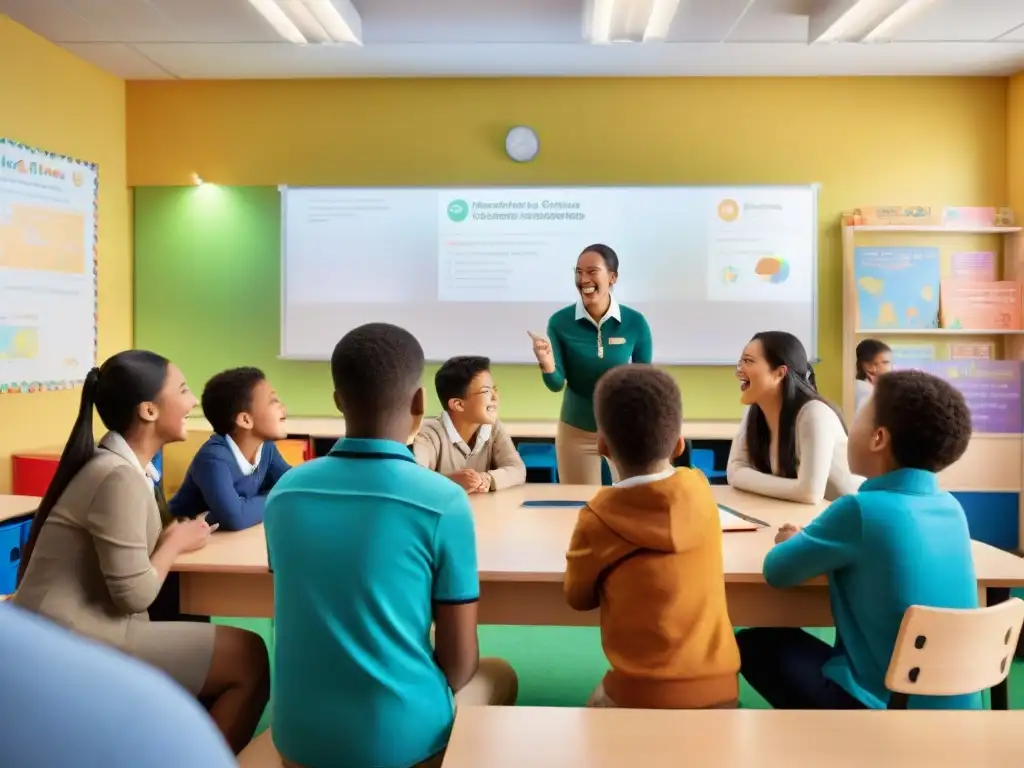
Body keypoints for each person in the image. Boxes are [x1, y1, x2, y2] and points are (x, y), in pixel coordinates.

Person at [265, 323, 518, 768]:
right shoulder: (442, 502)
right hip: (403, 743)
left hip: (297, 740)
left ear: (338, 400)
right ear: (421, 402)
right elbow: (458, 666)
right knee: (500, 674)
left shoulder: (286, 492)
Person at [14, 351, 270, 753]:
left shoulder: (119, 465)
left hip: (63, 629)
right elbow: (134, 595)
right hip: (75, 639)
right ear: (149, 410)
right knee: (249, 659)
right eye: (183, 391)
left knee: (204, 628)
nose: (192, 402)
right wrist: (175, 543)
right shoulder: (117, 476)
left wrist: (172, 540)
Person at [736, 369, 979, 710]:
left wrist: (793, 541)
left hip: (884, 708)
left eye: (859, 417)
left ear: (878, 438)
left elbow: (778, 571)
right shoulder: (952, 507)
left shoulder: (860, 510)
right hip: (956, 708)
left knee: (756, 643)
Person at [565, 365, 740, 709]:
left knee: (590, 711)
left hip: (638, 694)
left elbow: (577, 597)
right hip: (721, 692)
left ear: (602, 445)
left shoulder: (596, 518)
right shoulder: (699, 488)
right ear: (678, 444)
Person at [0, 603, 237, 767]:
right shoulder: (164, 730)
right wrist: (174, 544)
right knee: (243, 656)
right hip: (89, 626)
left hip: (63, 621)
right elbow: (134, 594)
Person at [529, 243, 654, 485]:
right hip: (576, 431)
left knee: (630, 504)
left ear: (612, 277)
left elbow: (646, 384)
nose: (583, 279)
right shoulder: (560, 322)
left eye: (592, 271)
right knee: (577, 506)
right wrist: (547, 363)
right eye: (578, 272)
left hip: (623, 432)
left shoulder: (635, 323)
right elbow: (556, 384)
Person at [726, 330, 862, 503]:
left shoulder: (814, 414)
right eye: (740, 362)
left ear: (780, 373)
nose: (738, 371)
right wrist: (795, 488)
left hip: (859, 519)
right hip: (812, 517)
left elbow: (810, 493)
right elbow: (734, 470)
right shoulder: (754, 412)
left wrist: (745, 477)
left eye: (748, 361)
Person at [169, 366, 291, 530]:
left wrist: (247, 505)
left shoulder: (266, 447)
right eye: (273, 401)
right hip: (183, 542)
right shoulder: (213, 459)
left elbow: (291, 484)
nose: (283, 407)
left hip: (224, 539)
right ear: (245, 420)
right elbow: (235, 518)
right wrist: (278, 497)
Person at [413, 355, 526, 492]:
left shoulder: (493, 428)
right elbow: (414, 478)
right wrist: (451, 481)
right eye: (486, 391)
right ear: (458, 405)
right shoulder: (428, 433)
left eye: (494, 389)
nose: (495, 397)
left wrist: (486, 479)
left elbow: (518, 470)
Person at [854, 338, 892, 413]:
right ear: (868, 365)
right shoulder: (866, 391)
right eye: (885, 362)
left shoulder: (866, 387)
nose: (890, 367)